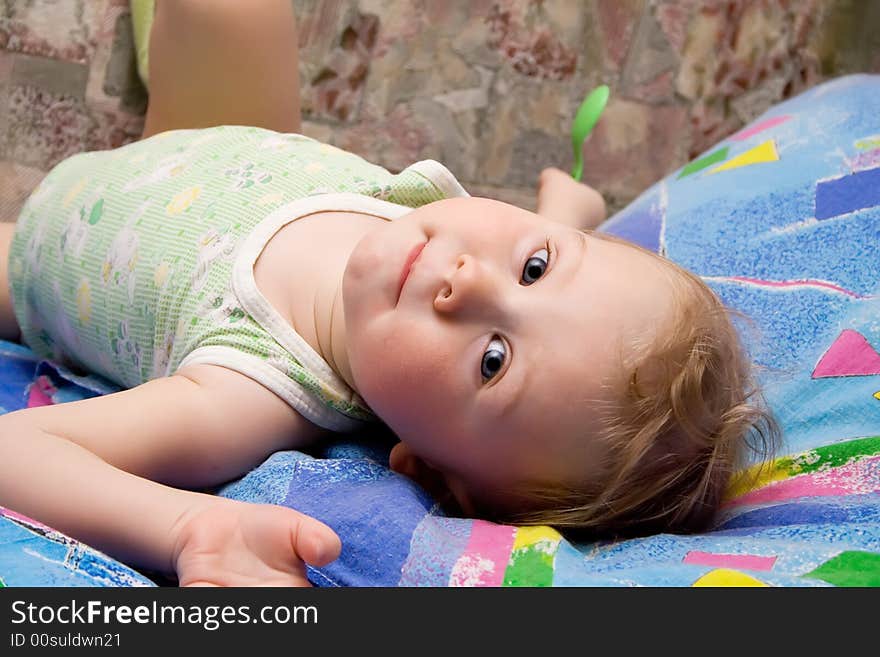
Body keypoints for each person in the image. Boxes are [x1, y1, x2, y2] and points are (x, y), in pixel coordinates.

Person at [0, 0, 777, 586]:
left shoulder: (247, 387)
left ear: (426, 469)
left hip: (47, 240)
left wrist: (184, 526)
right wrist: (566, 213)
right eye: (537, 266)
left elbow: (20, 448)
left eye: (494, 360)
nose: (468, 281)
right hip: (216, 133)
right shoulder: (441, 233)